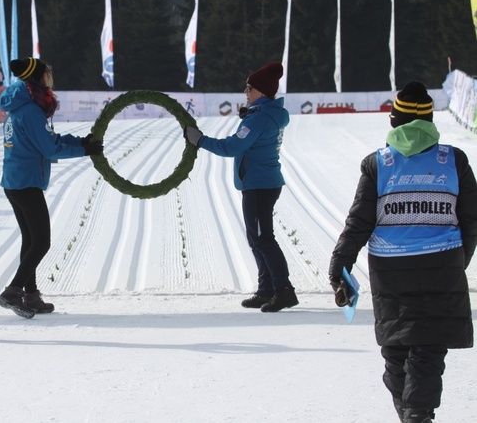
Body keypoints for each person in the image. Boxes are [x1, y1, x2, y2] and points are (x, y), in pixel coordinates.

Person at [329, 81, 476, 423]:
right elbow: (471, 218)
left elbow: (359, 222)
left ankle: (412, 414)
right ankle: (417, 415)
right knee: (428, 348)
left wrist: (341, 262)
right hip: (442, 264)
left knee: (396, 350)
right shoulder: (454, 160)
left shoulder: (378, 164)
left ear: (394, 120)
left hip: (390, 270)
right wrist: (459, 259)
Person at [184, 61, 298, 312]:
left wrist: (200, 140)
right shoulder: (264, 115)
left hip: (259, 185)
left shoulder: (259, 119)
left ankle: (283, 291)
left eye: (249, 88)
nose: (245, 92)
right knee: (256, 238)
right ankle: (266, 289)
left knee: (263, 239)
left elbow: (232, 147)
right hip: (262, 183)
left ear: (261, 92)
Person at [0, 57, 103, 318]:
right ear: (38, 77)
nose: (50, 78)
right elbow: (48, 147)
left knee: (31, 239)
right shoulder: (31, 111)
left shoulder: (20, 106)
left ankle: (30, 295)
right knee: (42, 241)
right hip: (26, 182)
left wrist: (79, 141)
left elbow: (46, 140)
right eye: (47, 73)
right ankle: (13, 290)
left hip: (15, 180)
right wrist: (83, 150)